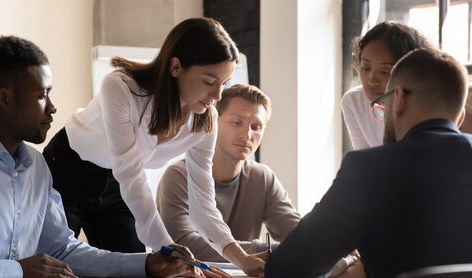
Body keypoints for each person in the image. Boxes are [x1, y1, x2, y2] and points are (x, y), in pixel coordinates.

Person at [0, 35, 203, 278]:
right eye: (42, 95)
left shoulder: (37, 167)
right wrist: (15, 271)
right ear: (4, 97)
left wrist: (146, 264)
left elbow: (62, 250)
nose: (52, 108)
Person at [42, 17, 265, 275]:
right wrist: (170, 250)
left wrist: (242, 259)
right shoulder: (120, 87)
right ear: (175, 67)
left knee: (139, 271)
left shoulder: (205, 121)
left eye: (224, 84)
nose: (217, 96)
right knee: (57, 267)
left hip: (116, 187)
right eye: (209, 81)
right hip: (68, 171)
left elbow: (203, 204)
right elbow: (130, 173)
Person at [265, 48, 472, 277]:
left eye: (384, 102)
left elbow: (288, 267)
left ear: (399, 99)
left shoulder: (369, 169)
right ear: (460, 116)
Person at [156, 84, 301, 262]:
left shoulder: (262, 177)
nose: (247, 134)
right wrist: (266, 250)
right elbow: (185, 244)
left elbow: (298, 234)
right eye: (237, 122)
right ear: (214, 121)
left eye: (256, 126)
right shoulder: (178, 176)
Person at [342, 21, 432, 150]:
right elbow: (366, 162)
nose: (371, 80)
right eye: (365, 68)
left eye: (385, 72)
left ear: (410, 70)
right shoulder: (353, 101)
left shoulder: (427, 105)